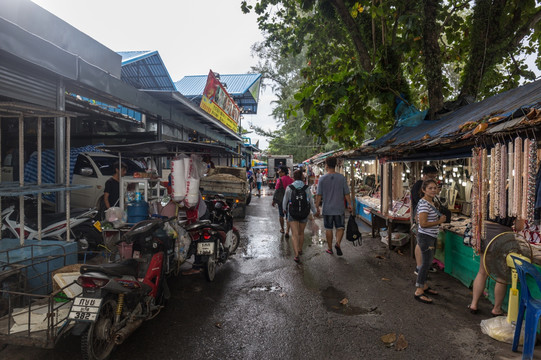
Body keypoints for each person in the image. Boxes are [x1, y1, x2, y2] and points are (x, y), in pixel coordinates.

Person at [467, 210, 522, 315]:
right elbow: (519, 227)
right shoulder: (517, 195)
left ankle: (474, 304)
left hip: (485, 231)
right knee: (501, 276)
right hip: (503, 233)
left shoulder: (485, 192)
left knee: (482, 272)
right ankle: (496, 309)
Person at [414, 179, 446, 304]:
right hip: (425, 237)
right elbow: (423, 223)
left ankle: (424, 286)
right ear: (424, 190)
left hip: (430, 236)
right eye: (430, 188)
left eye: (435, 188)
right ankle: (419, 290)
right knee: (425, 264)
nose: (433, 190)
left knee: (427, 263)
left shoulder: (430, 202)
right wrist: (439, 222)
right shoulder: (424, 204)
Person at [315, 157, 353, 256]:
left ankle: (330, 248)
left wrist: (316, 207)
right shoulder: (341, 178)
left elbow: (319, 195)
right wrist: (350, 204)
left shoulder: (322, 179)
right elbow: (347, 193)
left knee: (329, 229)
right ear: (335, 165)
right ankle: (338, 243)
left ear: (326, 165)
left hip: (327, 209)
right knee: (340, 228)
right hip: (339, 208)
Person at [283, 170, 317, 263]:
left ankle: (296, 255)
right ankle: (300, 249)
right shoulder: (306, 188)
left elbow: (285, 200)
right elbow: (311, 201)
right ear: (302, 177)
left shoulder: (289, 187)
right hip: (304, 213)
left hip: (292, 213)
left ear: (293, 177)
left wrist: (284, 210)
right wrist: (314, 211)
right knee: (301, 233)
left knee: (294, 234)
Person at [411, 165, 439, 275]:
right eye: (431, 176)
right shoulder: (418, 185)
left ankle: (427, 265)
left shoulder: (429, 185)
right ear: (425, 175)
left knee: (428, 244)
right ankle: (419, 267)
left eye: (435, 176)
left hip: (427, 217)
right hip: (420, 217)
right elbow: (419, 202)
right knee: (420, 243)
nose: (433, 179)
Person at [272, 166, 293, 237]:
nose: (279, 173)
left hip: (281, 199)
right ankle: (287, 230)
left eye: (280, 172)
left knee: (281, 214)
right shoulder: (291, 180)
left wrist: (274, 200)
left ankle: (282, 229)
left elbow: (276, 190)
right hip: (289, 199)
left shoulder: (279, 180)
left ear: (284, 172)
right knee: (288, 215)